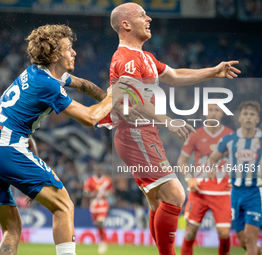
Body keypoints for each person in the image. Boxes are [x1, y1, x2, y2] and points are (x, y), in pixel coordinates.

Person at [98, 3, 241, 255]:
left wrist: (213, 71)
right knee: (175, 195)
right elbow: (132, 100)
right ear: (126, 24)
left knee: (157, 200)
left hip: (142, 133)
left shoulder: (144, 57)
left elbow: (175, 75)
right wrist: (169, 120)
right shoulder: (126, 59)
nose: (149, 18)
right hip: (135, 134)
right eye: (143, 15)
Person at [0, 24, 119, 255]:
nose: (74, 53)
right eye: (69, 48)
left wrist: (111, 102)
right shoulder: (47, 84)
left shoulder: (35, 73)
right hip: (6, 149)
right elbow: (90, 118)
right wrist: (116, 95)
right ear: (54, 55)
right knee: (63, 205)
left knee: (11, 230)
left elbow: (84, 85)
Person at [177, 104, 233, 255]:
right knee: (189, 234)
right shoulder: (195, 134)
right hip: (199, 191)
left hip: (222, 192)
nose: (213, 113)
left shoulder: (230, 135)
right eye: (210, 110)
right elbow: (181, 161)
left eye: (217, 110)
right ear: (205, 113)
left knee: (224, 234)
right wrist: (189, 179)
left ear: (222, 113)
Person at [208, 101, 262, 255]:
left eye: (252, 114)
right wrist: (211, 169)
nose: (249, 117)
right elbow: (212, 159)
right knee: (244, 241)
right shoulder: (229, 140)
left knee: (251, 237)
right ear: (240, 118)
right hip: (235, 193)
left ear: (257, 119)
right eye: (245, 114)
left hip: (255, 192)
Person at [83, 164, 114, 254]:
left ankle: (103, 242)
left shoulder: (107, 181)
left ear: (102, 170)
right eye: (97, 169)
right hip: (93, 204)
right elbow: (85, 193)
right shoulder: (89, 181)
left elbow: (111, 191)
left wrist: (106, 194)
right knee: (97, 224)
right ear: (95, 170)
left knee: (100, 222)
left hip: (103, 203)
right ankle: (101, 239)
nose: (99, 171)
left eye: (100, 169)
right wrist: (91, 195)